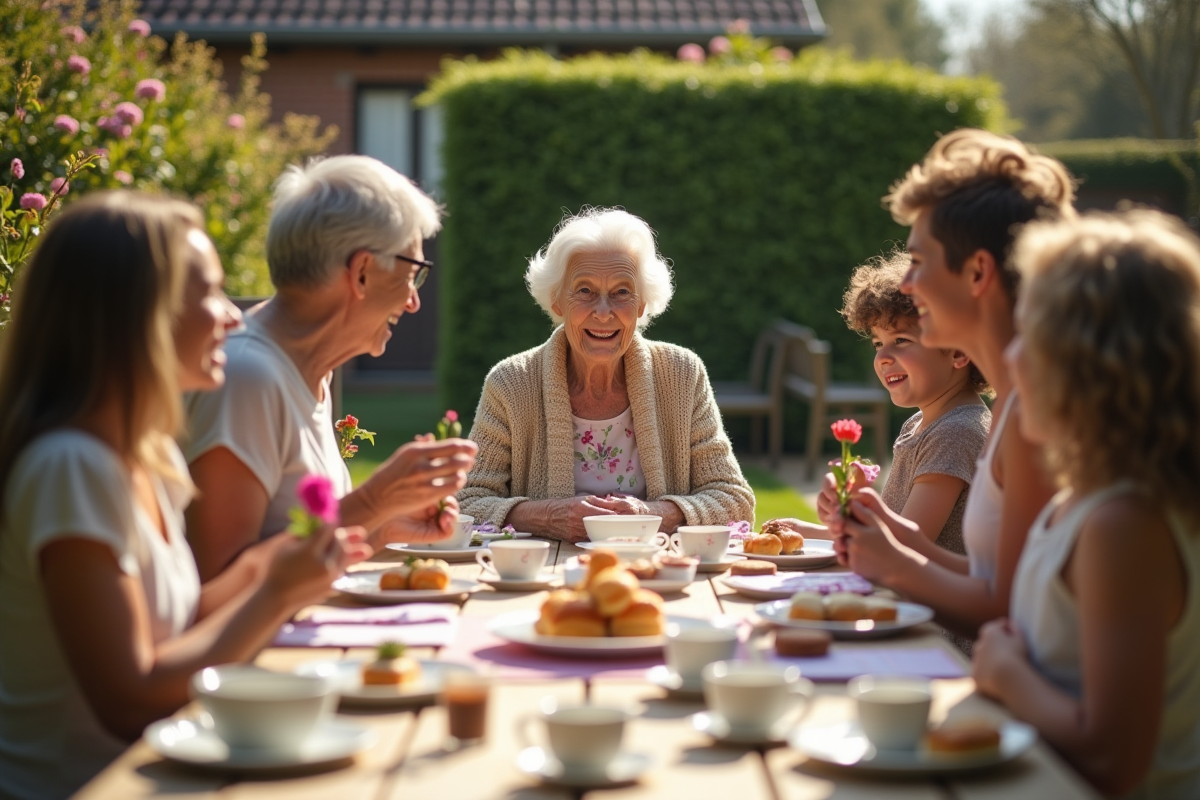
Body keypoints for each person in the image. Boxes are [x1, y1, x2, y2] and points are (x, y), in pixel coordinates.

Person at [0, 193, 373, 800]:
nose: (232, 315)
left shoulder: (150, 456)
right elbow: (129, 699)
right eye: (208, 293)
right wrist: (275, 593)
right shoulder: (70, 466)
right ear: (136, 314)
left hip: (169, 772)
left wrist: (274, 566)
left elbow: (183, 620)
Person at [973, 210, 1200, 799]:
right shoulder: (1082, 504)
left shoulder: (1122, 525)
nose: (1013, 361)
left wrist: (1004, 673)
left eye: (1029, 338)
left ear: (1088, 365)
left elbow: (1111, 757)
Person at [817, 129, 1073, 639]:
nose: (907, 285)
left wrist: (893, 559)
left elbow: (1009, 612)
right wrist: (883, 532)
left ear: (977, 272)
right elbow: (996, 579)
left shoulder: (1033, 420)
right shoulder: (1008, 409)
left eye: (917, 261)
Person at [184, 155, 477, 580]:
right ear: (361, 271)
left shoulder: (308, 374)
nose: (413, 300)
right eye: (412, 272)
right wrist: (372, 502)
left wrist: (380, 527)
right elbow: (218, 582)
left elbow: (293, 551)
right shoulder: (247, 376)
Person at [459, 208, 754, 541]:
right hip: (547, 578)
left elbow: (734, 500)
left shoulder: (682, 374)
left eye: (622, 292)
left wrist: (653, 515)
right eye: (584, 291)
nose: (603, 312)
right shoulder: (511, 383)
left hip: (657, 574)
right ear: (557, 301)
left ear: (642, 304)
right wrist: (547, 517)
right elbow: (465, 502)